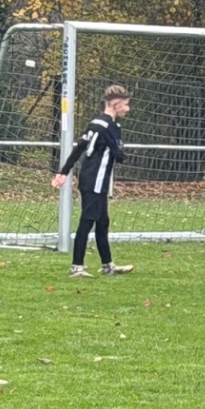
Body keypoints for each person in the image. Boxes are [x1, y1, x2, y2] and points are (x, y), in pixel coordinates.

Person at [52, 83, 134, 277]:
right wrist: (63, 173)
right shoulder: (104, 127)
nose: (128, 109)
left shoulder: (104, 125)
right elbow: (117, 154)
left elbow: (80, 149)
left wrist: (63, 172)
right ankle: (77, 267)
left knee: (102, 221)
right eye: (125, 104)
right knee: (87, 221)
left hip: (97, 180)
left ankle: (107, 265)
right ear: (114, 104)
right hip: (94, 180)